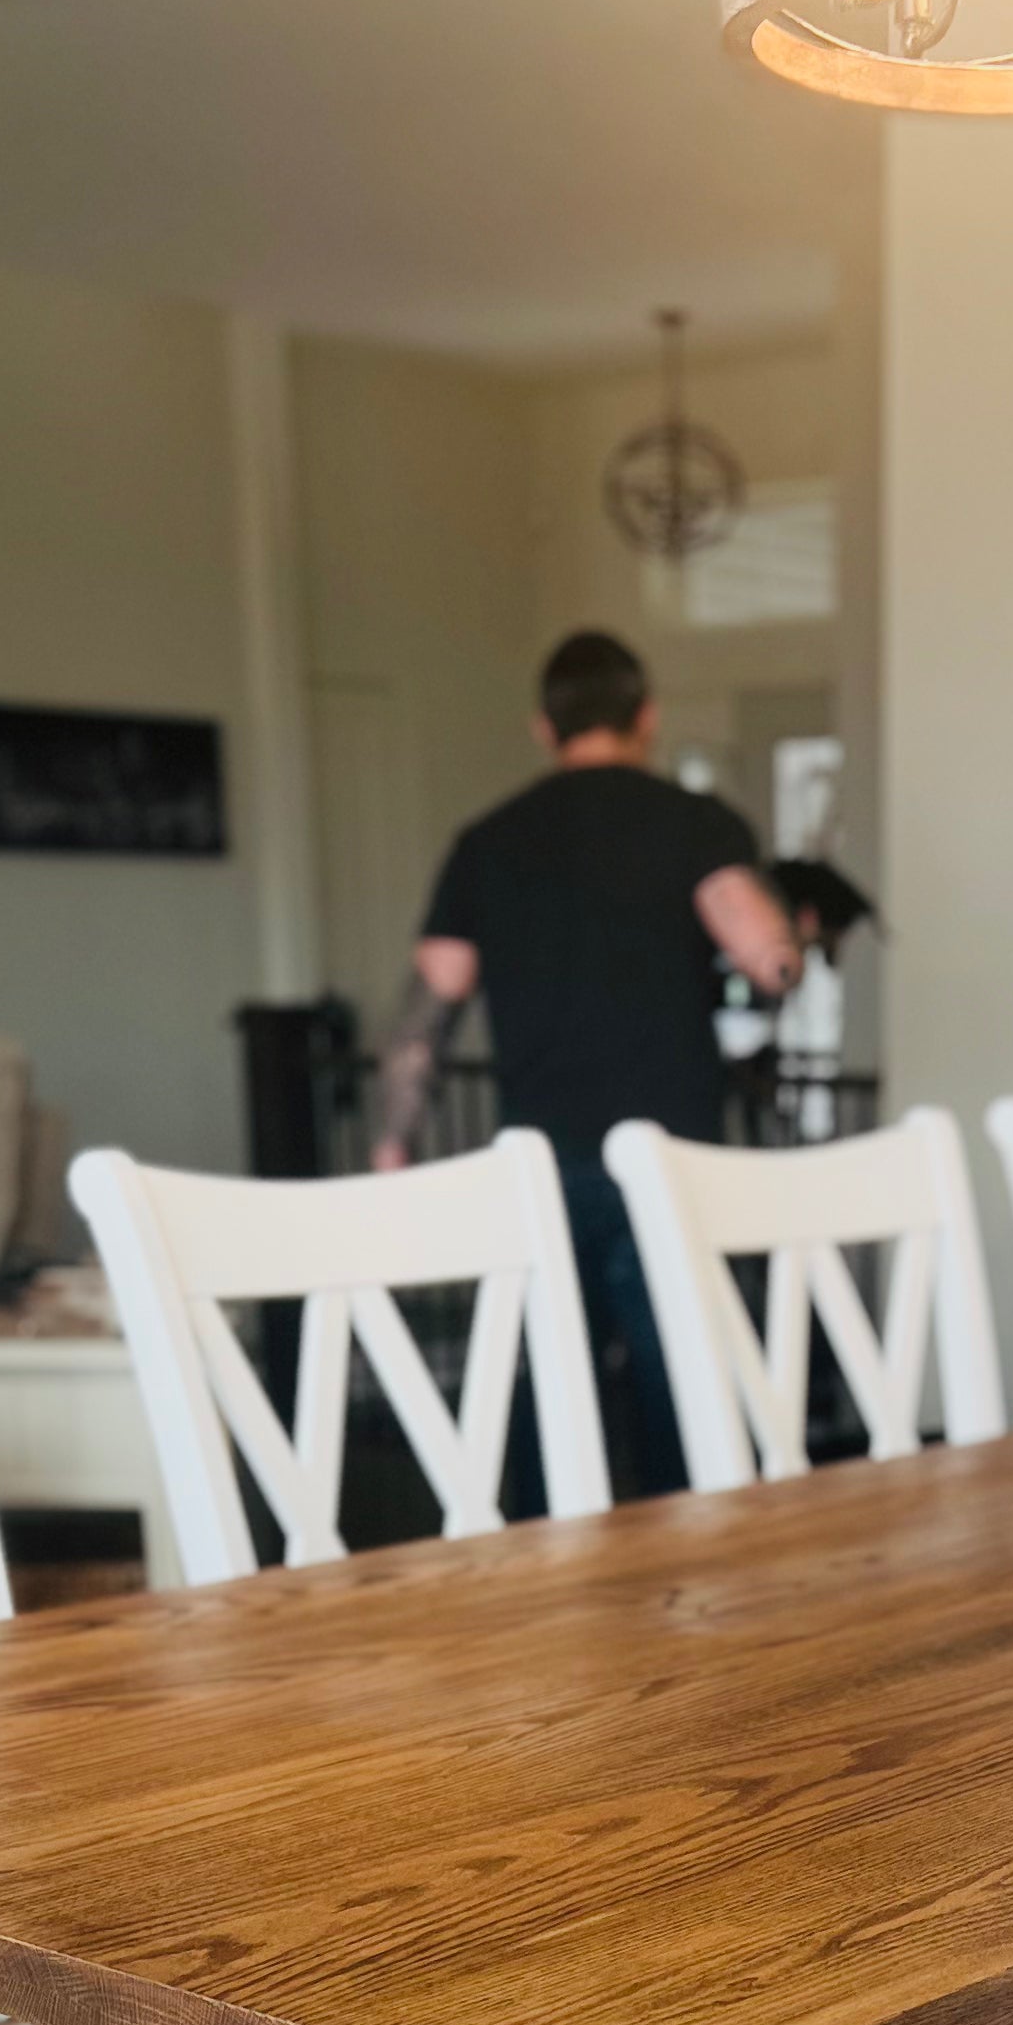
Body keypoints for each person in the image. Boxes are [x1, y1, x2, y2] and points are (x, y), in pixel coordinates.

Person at [374, 627, 798, 1496]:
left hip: (542, 1164)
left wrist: (394, 1142)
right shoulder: (695, 823)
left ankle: (558, 1599)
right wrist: (790, 944)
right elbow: (766, 957)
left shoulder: (487, 840)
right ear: (645, 716)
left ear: (544, 727)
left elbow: (429, 1010)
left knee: (551, 1407)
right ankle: (698, 1601)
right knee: (686, 1403)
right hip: (670, 1164)